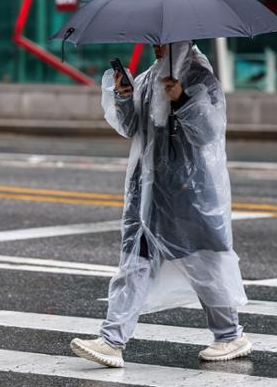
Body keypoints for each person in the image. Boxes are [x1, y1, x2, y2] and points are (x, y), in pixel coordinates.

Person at [70, 41, 251, 368]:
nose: (156, 46)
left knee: (203, 265)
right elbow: (130, 127)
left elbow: (208, 131)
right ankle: (112, 340)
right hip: (147, 191)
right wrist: (124, 94)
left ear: (181, 41)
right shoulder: (150, 76)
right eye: (154, 40)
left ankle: (230, 335)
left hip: (186, 193)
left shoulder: (200, 77)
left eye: (163, 41)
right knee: (135, 262)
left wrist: (181, 97)